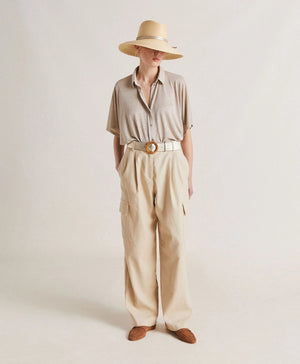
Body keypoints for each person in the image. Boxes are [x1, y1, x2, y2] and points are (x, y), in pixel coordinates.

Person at [106, 20, 196, 344]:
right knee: (137, 243)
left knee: (174, 241)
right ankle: (143, 317)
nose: (159, 53)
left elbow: (186, 132)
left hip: (172, 163)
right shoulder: (121, 88)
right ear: (138, 49)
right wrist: (123, 170)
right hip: (135, 164)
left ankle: (176, 319)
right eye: (152, 48)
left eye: (163, 49)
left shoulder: (178, 84)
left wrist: (187, 174)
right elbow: (116, 136)